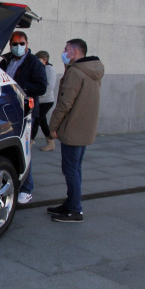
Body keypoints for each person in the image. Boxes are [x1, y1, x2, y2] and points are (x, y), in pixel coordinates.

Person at [47, 38, 104, 222]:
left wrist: (53, 127)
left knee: (70, 169)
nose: (64, 52)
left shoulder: (76, 72)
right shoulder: (93, 70)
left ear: (75, 52)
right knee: (76, 168)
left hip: (72, 128)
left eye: (66, 49)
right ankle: (71, 203)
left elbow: (64, 103)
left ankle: (75, 209)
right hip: (85, 127)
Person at [0, 31, 47, 204]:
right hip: (7, 110)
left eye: (22, 43)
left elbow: (42, 87)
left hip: (26, 112)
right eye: (15, 43)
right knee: (13, 148)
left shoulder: (34, 63)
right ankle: (15, 181)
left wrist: (19, 86)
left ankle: (27, 188)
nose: (18, 47)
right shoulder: (6, 61)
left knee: (24, 148)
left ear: (27, 44)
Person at [33, 50, 57, 152]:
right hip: (40, 100)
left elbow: (50, 86)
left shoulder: (49, 69)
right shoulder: (41, 68)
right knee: (42, 122)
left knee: (36, 120)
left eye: (39, 59)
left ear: (45, 60)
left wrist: (40, 95)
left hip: (46, 101)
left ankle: (30, 140)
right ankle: (50, 143)